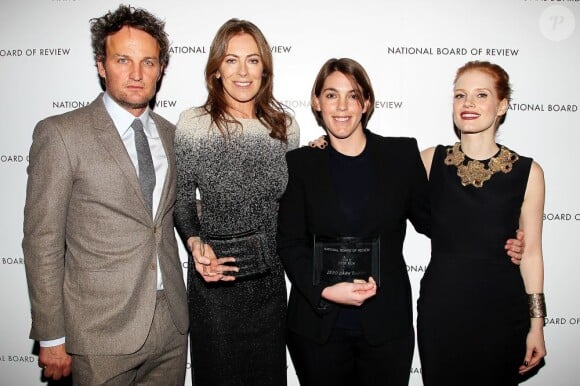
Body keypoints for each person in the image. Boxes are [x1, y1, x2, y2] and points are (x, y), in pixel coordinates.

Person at [277, 58, 526, 386]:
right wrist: (324, 290)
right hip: (317, 328)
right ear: (316, 102)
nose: (341, 106)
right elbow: (290, 242)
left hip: (386, 328)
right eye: (331, 95)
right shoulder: (301, 163)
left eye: (352, 96)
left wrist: (499, 234)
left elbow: (436, 221)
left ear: (366, 103)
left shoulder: (400, 156)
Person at [22, 5, 188, 385]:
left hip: (172, 326)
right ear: (101, 64)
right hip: (97, 333)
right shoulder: (61, 134)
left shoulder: (172, 134)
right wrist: (51, 336)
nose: (136, 74)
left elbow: (176, 214)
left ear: (160, 69)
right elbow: (42, 240)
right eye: (122, 60)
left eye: (148, 62)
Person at [173, 18, 300, 385]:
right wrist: (195, 244)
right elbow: (182, 203)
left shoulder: (285, 126)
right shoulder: (194, 124)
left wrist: (317, 156)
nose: (242, 71)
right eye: (231, 60)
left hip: (270, 282)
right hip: (214, 281)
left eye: (253, 60)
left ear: (265, 69)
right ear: (216, 70)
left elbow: (291, 203)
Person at [417, 60, 547, 385]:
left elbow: (530, 255)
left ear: (502, 105)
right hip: (441, 311)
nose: (468, 104)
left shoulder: (528, 173)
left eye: (481, 95)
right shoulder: (431, 160)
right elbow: (376, 181)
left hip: (503, 312)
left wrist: (537, 326)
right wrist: (326, 148)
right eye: (460, 95)